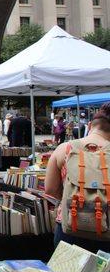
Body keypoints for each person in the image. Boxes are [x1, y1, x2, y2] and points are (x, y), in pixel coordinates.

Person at [45, 103, 110, 252]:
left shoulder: (64, 148)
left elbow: (49, 188)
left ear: (89, 125)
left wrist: (73, 196)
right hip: (106, 226)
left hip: (69, 225)